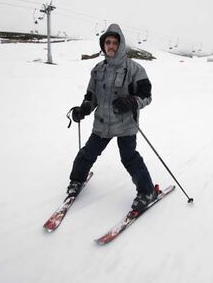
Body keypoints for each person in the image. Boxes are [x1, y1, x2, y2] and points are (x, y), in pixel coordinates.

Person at [67, 23, 157, 212]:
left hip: (126, 125)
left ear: (121, 44)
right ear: (103, 45)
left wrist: (131, 102)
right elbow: (91, 96)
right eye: (107, 42)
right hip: (102, 123)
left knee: (129, 158)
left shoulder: (134, 69)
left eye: (115, 42)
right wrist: (83, 109)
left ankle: (147, 192)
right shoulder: (98, 70)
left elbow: (146, 95)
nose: (111, 46)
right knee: (87, 154)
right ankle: (77, 181)